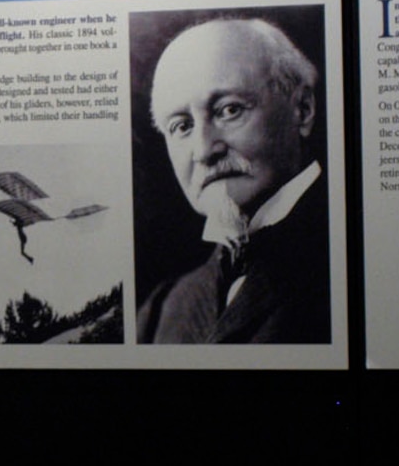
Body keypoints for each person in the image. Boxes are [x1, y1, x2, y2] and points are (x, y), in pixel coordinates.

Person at [137, 18, 329, 343]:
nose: (203, 150)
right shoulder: (161, 310)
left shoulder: (355, 257)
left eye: (228, 110)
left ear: (303, 109)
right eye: (181, 126)